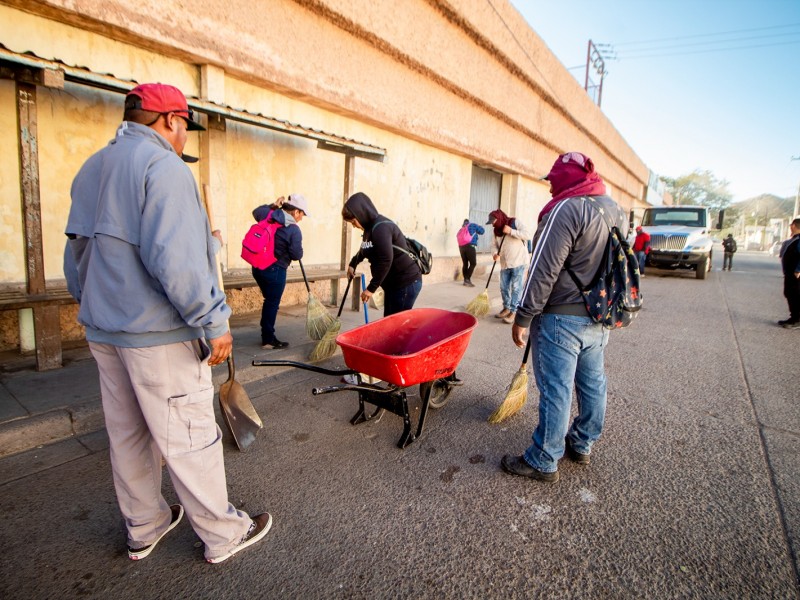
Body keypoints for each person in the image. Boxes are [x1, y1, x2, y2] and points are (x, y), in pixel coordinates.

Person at [63, 83, 271, 563]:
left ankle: (145, 525)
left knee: (128, 434)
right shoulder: (163, 167)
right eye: (184, 128)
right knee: (189, 435)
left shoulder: (92, 168)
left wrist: (96, 303)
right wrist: (214, 321)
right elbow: (175, 261)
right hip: (158, 335)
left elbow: (77, 253)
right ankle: (222, 535)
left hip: (105, 331)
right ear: (170, 120)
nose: (184, 139)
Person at [500, 151, 628, 483]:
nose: (550, 188)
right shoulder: (614, 209)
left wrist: (523, 317)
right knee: (592, 383)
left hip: (561, 319)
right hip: (600, 317)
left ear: (567, 178)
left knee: (556, 389)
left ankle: (544, 458)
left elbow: (543, 269)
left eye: (554, 180)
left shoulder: (565, 209)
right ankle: (582, 443)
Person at [342, 192, 422, 316]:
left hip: (405, 283)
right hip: (392, 285)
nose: (354, 226)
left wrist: (370, 289)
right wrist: (353, 263)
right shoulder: (369, 229)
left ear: (361, 213)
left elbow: (386, 260)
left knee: (396, 325)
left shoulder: (381, 228)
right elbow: (365, 249)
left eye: (353, 221)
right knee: (389, 322)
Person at [251, 193, 309, 349]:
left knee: (269, 301)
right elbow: (296, 254)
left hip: (257, 268)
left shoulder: (268, 214)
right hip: (275, 271)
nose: (301, 218)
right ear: (296, 211)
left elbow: (256, 211)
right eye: (302, 214)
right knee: (271, 303)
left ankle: (266, 329)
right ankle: (268, 339)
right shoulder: (294, 230)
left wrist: (274, 205)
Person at [486, 209, 532, 324]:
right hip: (505, 264)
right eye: (491, 222)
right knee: (504, 287)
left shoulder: (514, 222)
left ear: (499, 217)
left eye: (493, 221)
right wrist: (495, 253)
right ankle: (506, 308)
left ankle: (514, 311)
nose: (492, 224)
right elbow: (493, 245)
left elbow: (527, 234)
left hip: (519, 262)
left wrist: (511, 231)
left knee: (516, 288)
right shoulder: (496, 231)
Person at [778, 218, 800, 329]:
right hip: (790, 273)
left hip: (796, 274)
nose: (790, 226)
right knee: (790, 293)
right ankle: (793, 317)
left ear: (794, 226)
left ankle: (797, 320)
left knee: (795, 295)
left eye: (791, 225)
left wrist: (798, 270)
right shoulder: (795, 239)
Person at [456, 218, 485, 287]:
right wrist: (479, 226)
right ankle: (467, 279)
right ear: (469, 222)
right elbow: (482, 231)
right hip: (470, 246)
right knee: (473, 263)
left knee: (465, 264)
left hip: (461, 247)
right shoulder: (472, 225)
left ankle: (465, 280)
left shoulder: (461, 229)